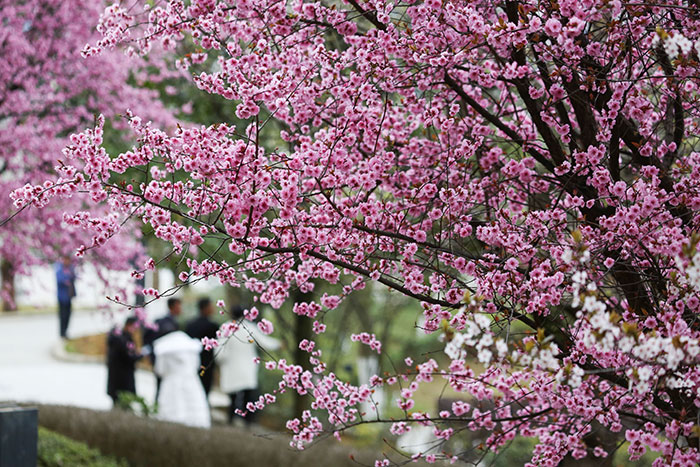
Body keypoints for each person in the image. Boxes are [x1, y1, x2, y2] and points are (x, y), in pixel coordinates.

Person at [218, 306, 280, 426]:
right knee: (248, 394)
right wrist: (278, 344)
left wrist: (220, 360)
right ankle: (248, 420)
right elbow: (264, 341)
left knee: (233, 395)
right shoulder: (249, 327)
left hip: (231, 366)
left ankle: (231, 418)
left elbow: (219, 347)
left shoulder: (225, 327)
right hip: (247, 366)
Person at [153, 330, 211, 428]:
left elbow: (160, 370)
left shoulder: (165, 351)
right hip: (191, 381)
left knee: (171, 407)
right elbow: (196, 365)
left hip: (171, 382)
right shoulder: (191, 349)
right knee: (194, 406)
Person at [143, 297, 182, 401]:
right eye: (179, 306)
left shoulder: (175, 323)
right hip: (161, 360)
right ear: (173, 306)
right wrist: (151, 355)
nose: (180, 309)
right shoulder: (161, 322)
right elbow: (147, 338)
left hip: (172, 361)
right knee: (161, 385)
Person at [185, 298, 219, 395]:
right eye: (211, 306)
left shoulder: (190, 324)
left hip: (191, 361)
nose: (213, 308)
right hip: (207, 363)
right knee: (205, 390)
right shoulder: (213, 326)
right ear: (205, 308)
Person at [106, 316, 143, 407]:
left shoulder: (119, 338)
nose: (135, 330)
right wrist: (139, 355)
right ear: (128, 325)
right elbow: (128, 356)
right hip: (123, 378)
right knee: (122, 402)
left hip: (117, 378)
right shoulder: (122, 340)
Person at [55, 257, 76, 338]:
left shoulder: (71, 268)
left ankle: (65, 331)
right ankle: (62, 333)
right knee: (62, 315)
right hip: (61, 297)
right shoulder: (59, 268)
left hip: (69, 296)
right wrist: (67, 277)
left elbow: (74, 277)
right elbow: (60, 280)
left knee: (68, 315)